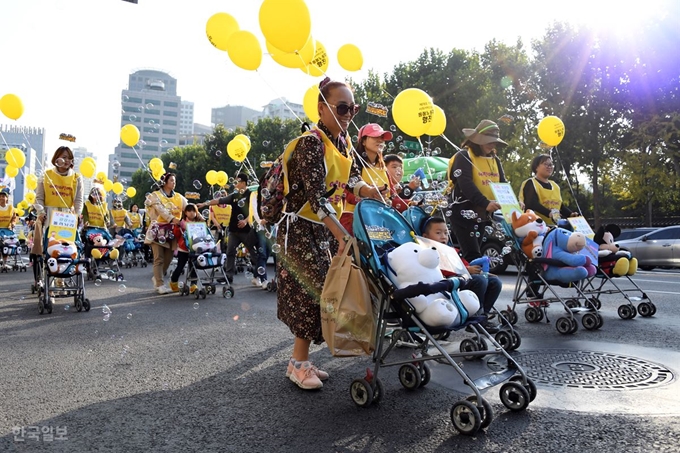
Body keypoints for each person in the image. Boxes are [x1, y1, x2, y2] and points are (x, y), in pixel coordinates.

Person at [273, 77, 382, 390]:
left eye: (353, 108)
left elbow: (350, 182)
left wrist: (369, 192)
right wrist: (340, 235)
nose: (349, 113)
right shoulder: (311, 142)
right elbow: (317, 195)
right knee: (311, 291)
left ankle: (300, 360)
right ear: (322, 108)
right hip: (299, 228)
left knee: (322, 292)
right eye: (342, 107)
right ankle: (297, 364)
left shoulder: (344, 142)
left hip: (321, 226)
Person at [421, 217, 502, 332]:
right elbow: (438, 270)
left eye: (445, 232)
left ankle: (483, 315)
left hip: (461, 279)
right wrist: (465, 270)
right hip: (447, 283)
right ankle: (475, 318)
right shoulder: (428, 253)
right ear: (425, 237)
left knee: (495, 282)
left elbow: (463, 264)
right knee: (479, 281)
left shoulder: (451, 251)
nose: (443, 236)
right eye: (438, 233)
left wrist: (483, 272)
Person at [447, 119, 508, 263]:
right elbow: (465, 183)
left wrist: (513, 203)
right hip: (463, 213)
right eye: (489, 140)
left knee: (474, 254)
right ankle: (474, 284)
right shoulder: (464, 156)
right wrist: (485, 202)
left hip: (483, 215)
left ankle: (467, 281)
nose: (492, 144)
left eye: (494, 141)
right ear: (477, 139)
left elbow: (503, 184)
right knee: (473, 255)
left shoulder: (495, 160)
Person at [198, 174, 265, 288]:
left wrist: (245, 220)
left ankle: (257, 276)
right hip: (234, 231)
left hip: (246, 230)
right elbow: (219, 200)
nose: (235, 184)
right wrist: (205, 204)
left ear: (243, 183)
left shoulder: (251, 195)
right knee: (230, 252)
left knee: (253, 253)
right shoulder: (234, 195)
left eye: (237, 182)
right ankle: (229, 275)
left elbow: (255, 211)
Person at [31, 146, 84, 287]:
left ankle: (61, 279)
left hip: (67, 217)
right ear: (56, 159)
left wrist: (77, 215)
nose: (66, 160)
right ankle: (49, 285)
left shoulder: (77, 178)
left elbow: (78, 200)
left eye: (69, 157)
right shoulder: (46, 175)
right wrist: (41, 212)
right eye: (63, 157)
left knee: (66, 249)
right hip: (49, 216)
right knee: (49, 250)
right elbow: (38, 198)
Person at [339, 123, 393, 232]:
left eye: (382, 138)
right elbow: (346, 192)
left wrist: (389, 200)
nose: (380, 140)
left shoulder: (383, 168)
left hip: (377, 221)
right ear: (363, 141)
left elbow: (391, 195)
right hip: (353, 220)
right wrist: (370, 194)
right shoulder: (353, 165)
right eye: (375, 137)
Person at [144, 172, 187, 294]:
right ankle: (160, 284)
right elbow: (161, 211)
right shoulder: (155, 196)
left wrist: (197, 214)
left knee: (168, 258)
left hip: (172, 231)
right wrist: (173, 219)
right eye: (172, 180)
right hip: (157, 231)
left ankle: (157, 277)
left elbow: (188, 207)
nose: (174, 183)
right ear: (165, 182)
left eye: (175, 180)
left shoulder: (178, 197)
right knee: (159, 258)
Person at [520, 154, 580, 225]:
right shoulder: (530, 183)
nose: (549, 167)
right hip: (536, 227)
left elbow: (560, 206)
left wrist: (571, 214)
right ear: (536, 167)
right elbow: (532, 203)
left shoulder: (555, 186)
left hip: (554, 226)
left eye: (551, 165)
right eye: (545, 164)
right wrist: (549, 214)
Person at [169, 204, 204, 293]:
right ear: (185, 212)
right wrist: (177, 227)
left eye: (193, 211)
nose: (191, 213)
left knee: (193, 267)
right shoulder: (182, 223)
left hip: (195, 248)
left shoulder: (199, 223)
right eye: (189, 211)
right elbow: (176, 235)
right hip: (183, 248)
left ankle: (193, 284)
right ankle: (173, 281)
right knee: (180, 266)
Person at [0, 188, 18, 270]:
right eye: (0, 196)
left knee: (7, 246)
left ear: (7, 198)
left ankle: (4, 263)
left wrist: (13, 223)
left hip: (7, 230)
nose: (1, 198)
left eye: (3, 196)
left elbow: (14, 218)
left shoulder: (11, 208)